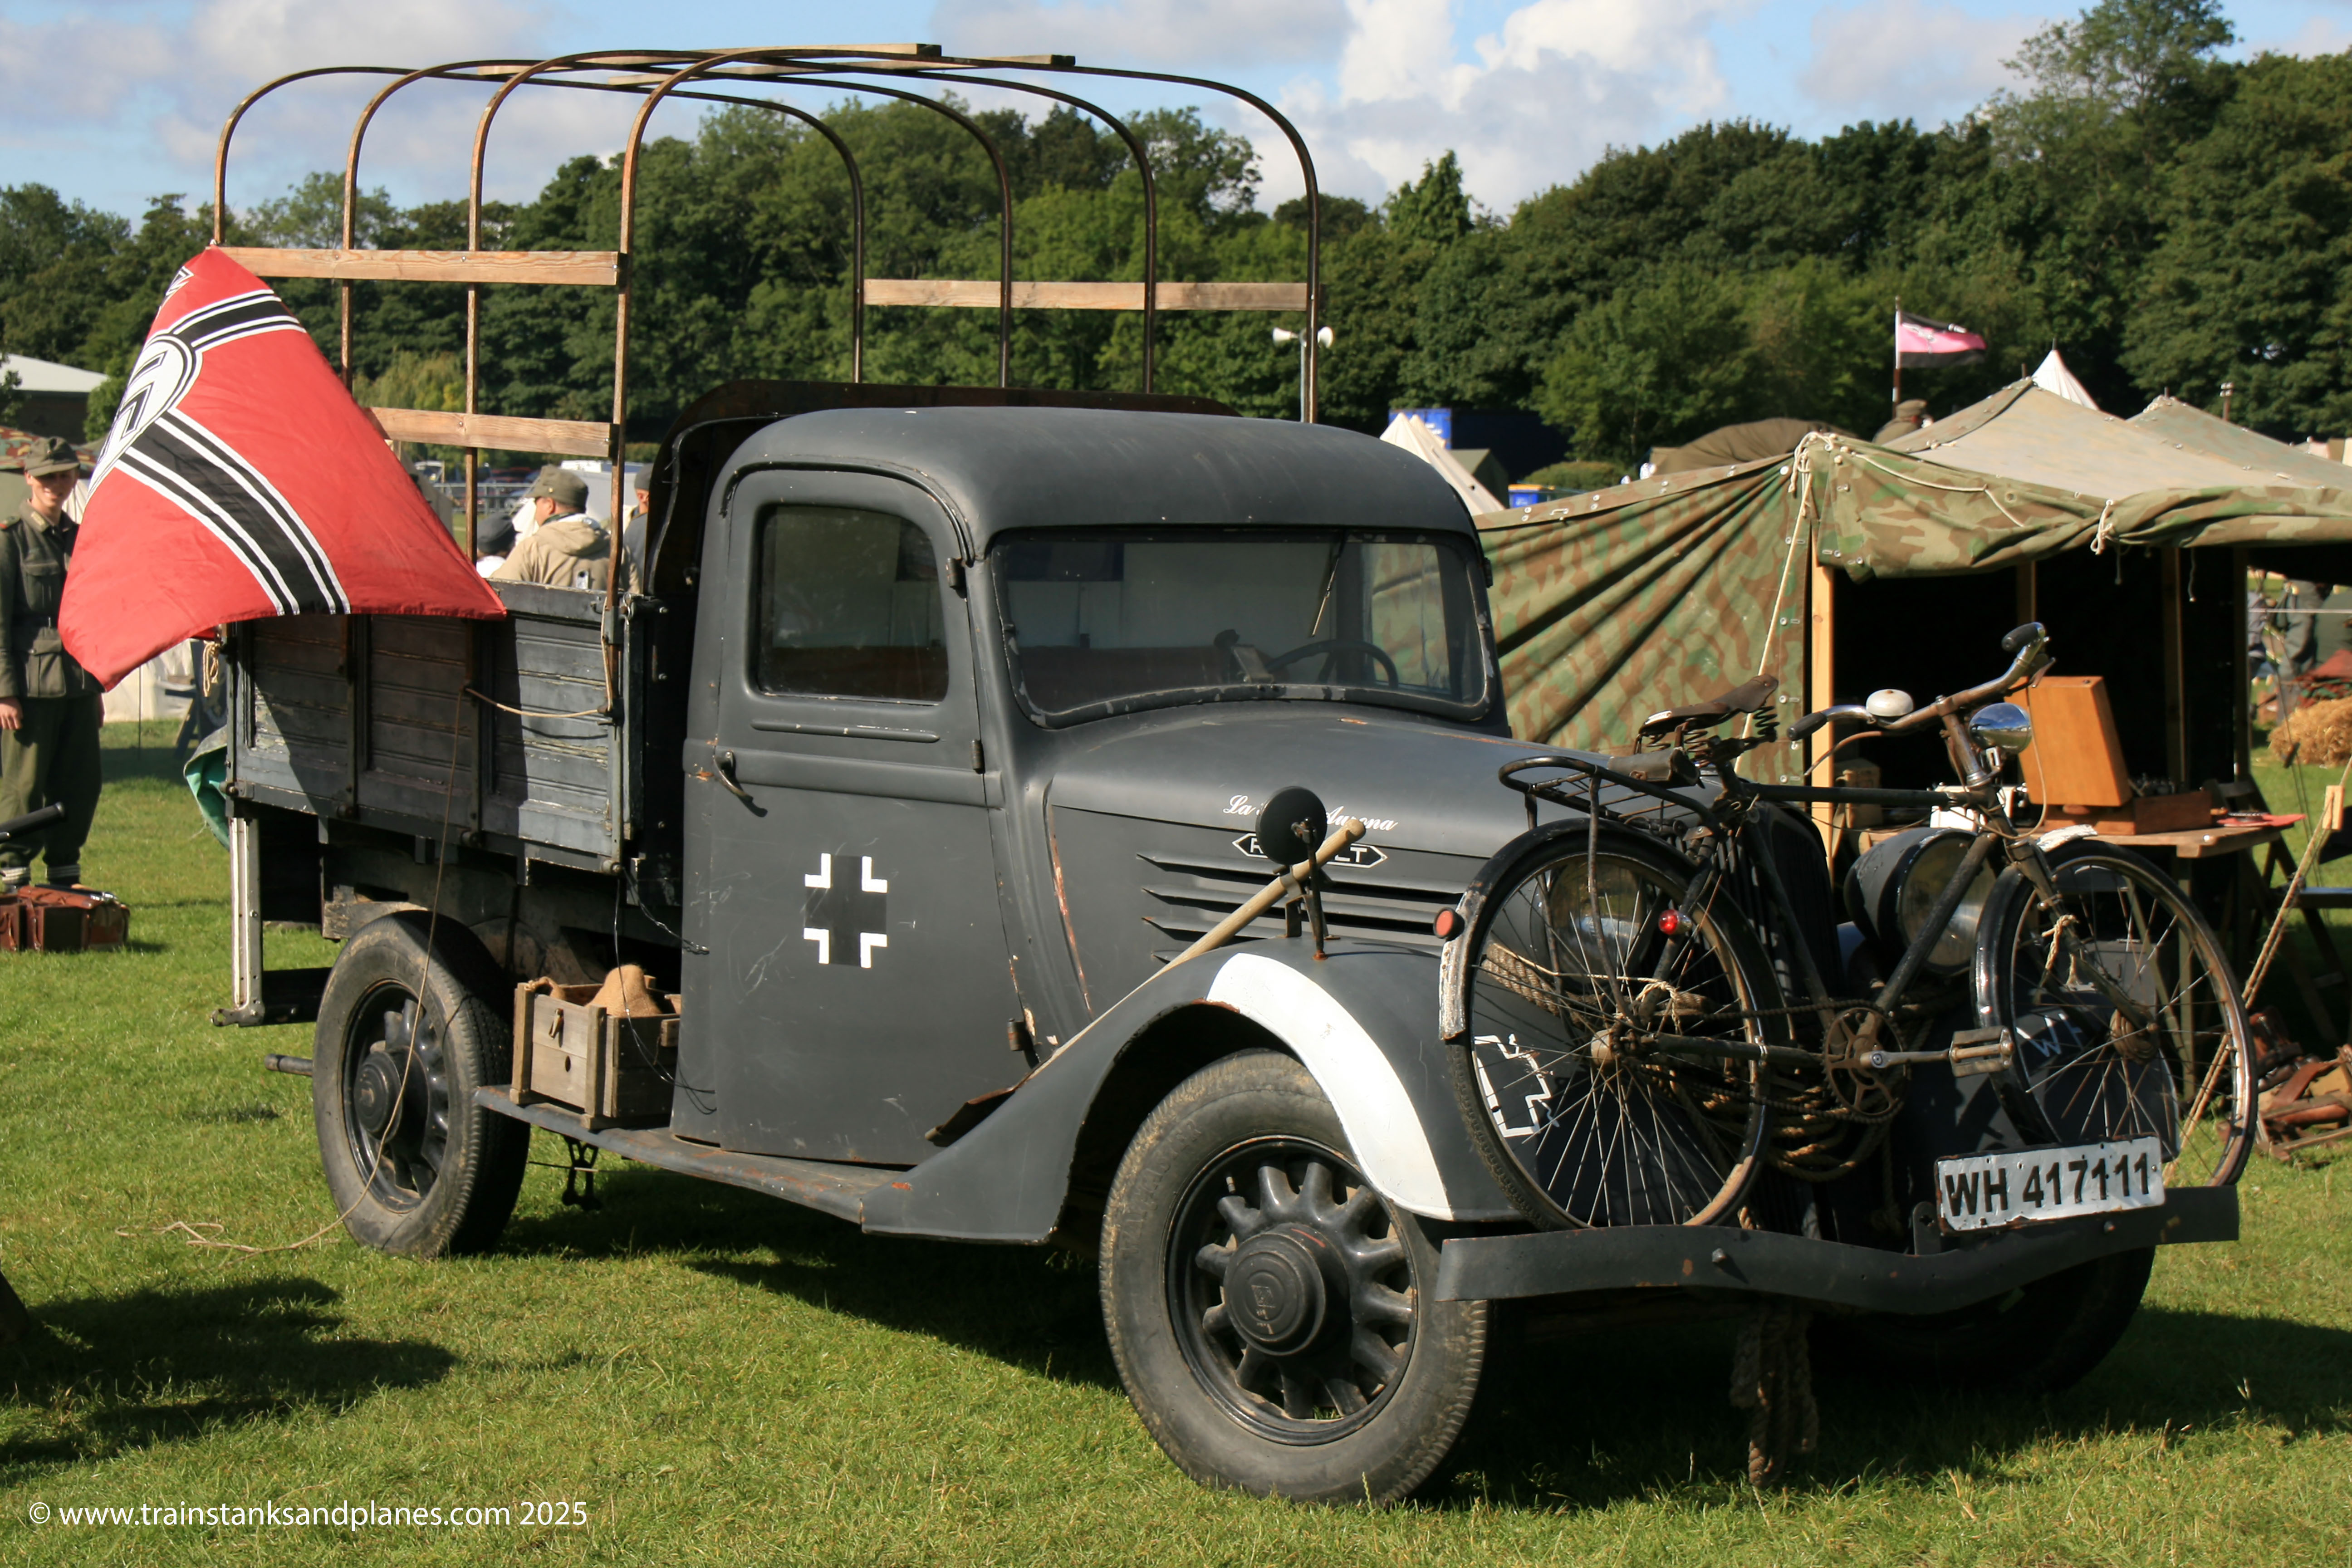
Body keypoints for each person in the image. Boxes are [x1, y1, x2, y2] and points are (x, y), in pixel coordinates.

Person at [0, 436, 104, 891]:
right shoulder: (10, 539)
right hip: (29, 685)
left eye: (63, 476)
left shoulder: (80, 539)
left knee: (81, 784)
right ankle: (14, 873)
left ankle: (64, 874)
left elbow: (92, 617)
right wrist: (4, 691)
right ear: (28, 478)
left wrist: (96, 687)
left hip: (78, 682)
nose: (55, 485)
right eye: (46, 477)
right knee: (24, 787)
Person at [491, 467, 627, 593]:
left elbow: (499, 594)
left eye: (536, 504)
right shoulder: (618, 550)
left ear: (550, 506)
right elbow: (633, 600)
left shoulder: (532, 549)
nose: (536, 512)